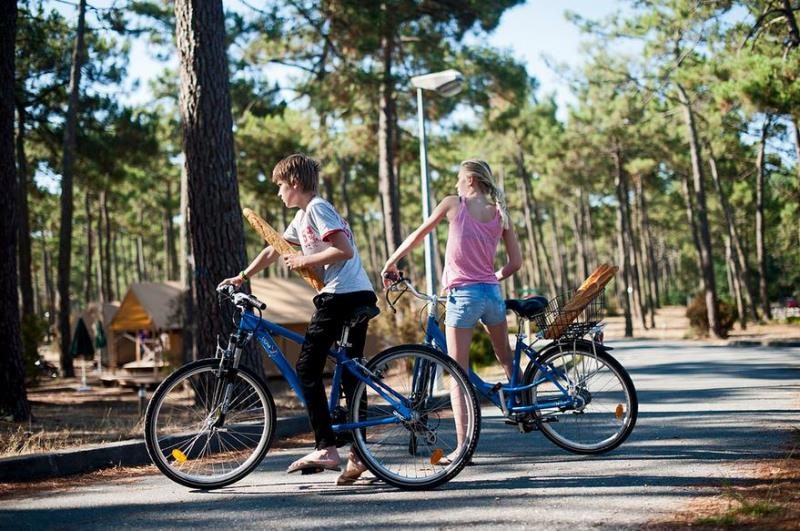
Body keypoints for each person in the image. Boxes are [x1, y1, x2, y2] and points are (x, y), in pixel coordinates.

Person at [220, 153, 376, 485]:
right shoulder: (305, 215)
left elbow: (344, 250)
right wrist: (242, 275)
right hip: (358, 292)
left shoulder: (317, 208)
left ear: (294, 183)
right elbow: (274, 248)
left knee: (306, 368)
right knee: (350, 373)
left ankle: (326, 448)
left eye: (279, 186)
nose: (278, 194)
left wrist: (306, 258)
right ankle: (360, 455)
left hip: (341, 294)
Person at [381, 159, 522, 462]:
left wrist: (392, 261)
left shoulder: (453, 204)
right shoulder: (500, 213)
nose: (456, 184)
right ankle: (525, 409)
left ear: (470, 181)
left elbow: (419, 234)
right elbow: (515, 264)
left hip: (462, 297)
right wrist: (490, 279)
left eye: (458, 179)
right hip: (492, 295)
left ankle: (463, 448)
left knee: (456, 374)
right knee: (506, 358)